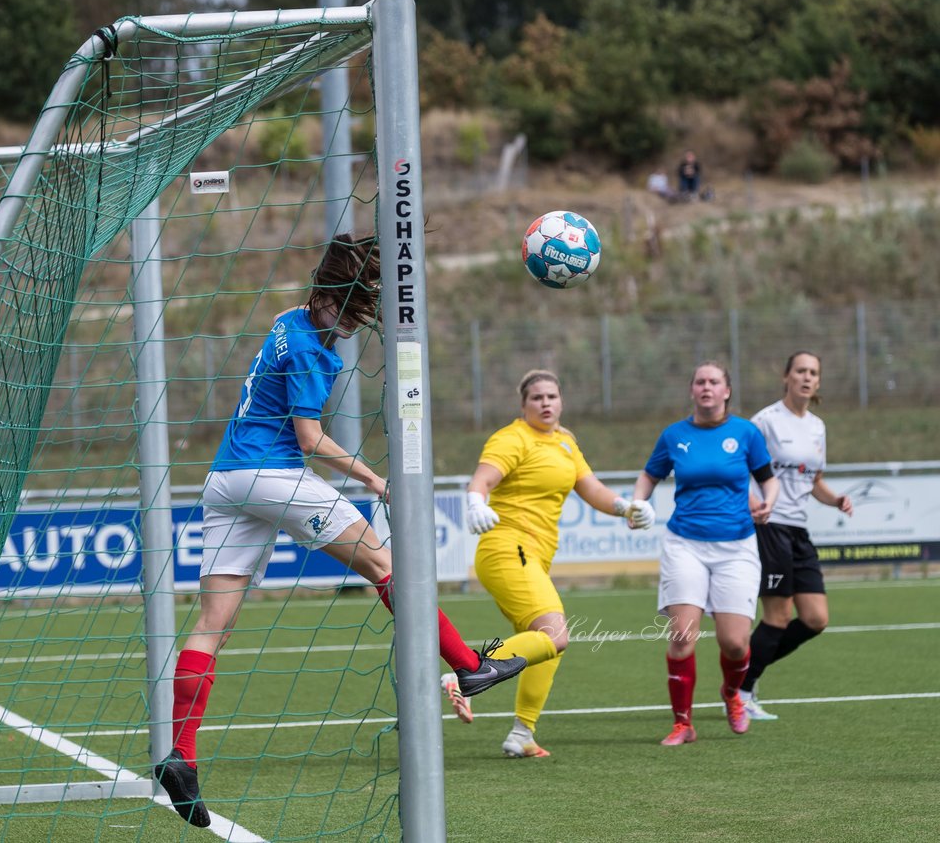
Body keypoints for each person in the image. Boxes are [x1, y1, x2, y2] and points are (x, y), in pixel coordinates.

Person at [154, 234, 528, 827]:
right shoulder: (314, 352)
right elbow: (309, 440)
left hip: (224, 479)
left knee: (211, 626)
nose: (357, 323)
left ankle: (182, 757)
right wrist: (377, 480)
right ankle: (467, 664)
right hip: (271, 475)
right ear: (333, 298)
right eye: (355, 309)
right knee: (386, 567)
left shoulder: (285, 319)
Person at [446, 369, 655, 758]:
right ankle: (466, 672)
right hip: (508, 548)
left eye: (552, 397)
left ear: (561, 401)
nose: (546, 403)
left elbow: (590, 488)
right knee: (556, 634)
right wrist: (475, 501)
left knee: (545, 644)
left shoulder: (565, 443)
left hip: (534, 556)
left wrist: (626, 507)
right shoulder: (513, 438)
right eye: (537, 397)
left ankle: (522, 734)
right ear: (523, 404)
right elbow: (482, 481)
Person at [631, 361, 779, 746]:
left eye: (714, 382)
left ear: (727, 390)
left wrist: (768, 503)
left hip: (737, 547)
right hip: (685, 544)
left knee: (735, 644)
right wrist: (636, 504)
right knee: (683, 637)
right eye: (700, 381)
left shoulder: (746, 433)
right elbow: (650, 474)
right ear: (692, 390)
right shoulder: (674, 435)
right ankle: (683, 724)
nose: (707, 387)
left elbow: (768, 479)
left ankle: (732, 693)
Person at [740, 351, 853, 720]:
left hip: (799, 531)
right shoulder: (766, 421)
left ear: (818, 382)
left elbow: (814, 481)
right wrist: (754, 500)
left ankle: (744, 673)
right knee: (776, 615)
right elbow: (738, 468)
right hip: (770, 527)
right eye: (800, 371)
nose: (807, 377)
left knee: (816, 619)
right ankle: (741, 692)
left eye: (813, 373)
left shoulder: (818, 427)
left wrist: (834, 499)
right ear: (786, 376)